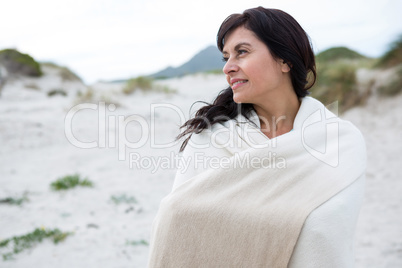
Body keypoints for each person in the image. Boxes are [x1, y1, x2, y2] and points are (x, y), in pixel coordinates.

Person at [148, 7, 366, 268]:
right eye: (225, 57)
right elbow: (178, 223)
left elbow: (332, 240)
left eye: (242, 52)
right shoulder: (210, 141)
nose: (228, 68)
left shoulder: (341, 142)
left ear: (285, 60)